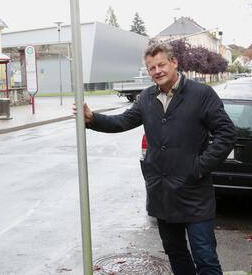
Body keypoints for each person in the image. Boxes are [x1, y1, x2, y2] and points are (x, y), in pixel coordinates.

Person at [74, 42, 235, 275]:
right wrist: (92, 119)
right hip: (162, 193)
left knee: (205, 257)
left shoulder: (201, 94)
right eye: (151, 68)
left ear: (174, 63)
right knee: (175, 252)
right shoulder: (147, 97)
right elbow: (123, 121)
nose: (157, 71)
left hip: (194, 194)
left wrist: (198, 167)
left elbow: (226, 134)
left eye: (161, 65)